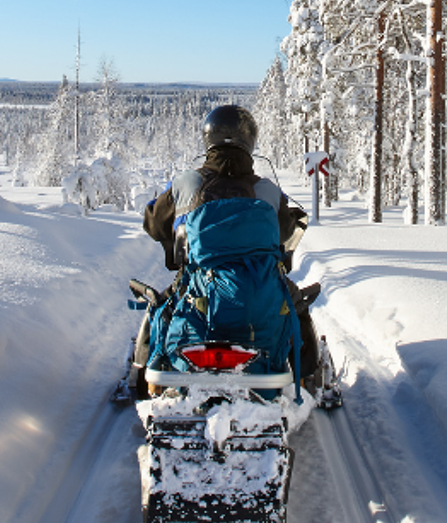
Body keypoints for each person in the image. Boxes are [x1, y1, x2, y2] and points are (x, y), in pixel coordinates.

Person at [128, 104, 322, 395]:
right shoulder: (268, 191)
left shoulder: (186, 183)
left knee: (161, 307)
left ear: (209, 139)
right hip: (259, 288)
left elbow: (153, 223)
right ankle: (308, 378)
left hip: (199, 288)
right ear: (250, 141)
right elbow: (285, 232)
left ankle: (140, 376)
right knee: (298, 308)